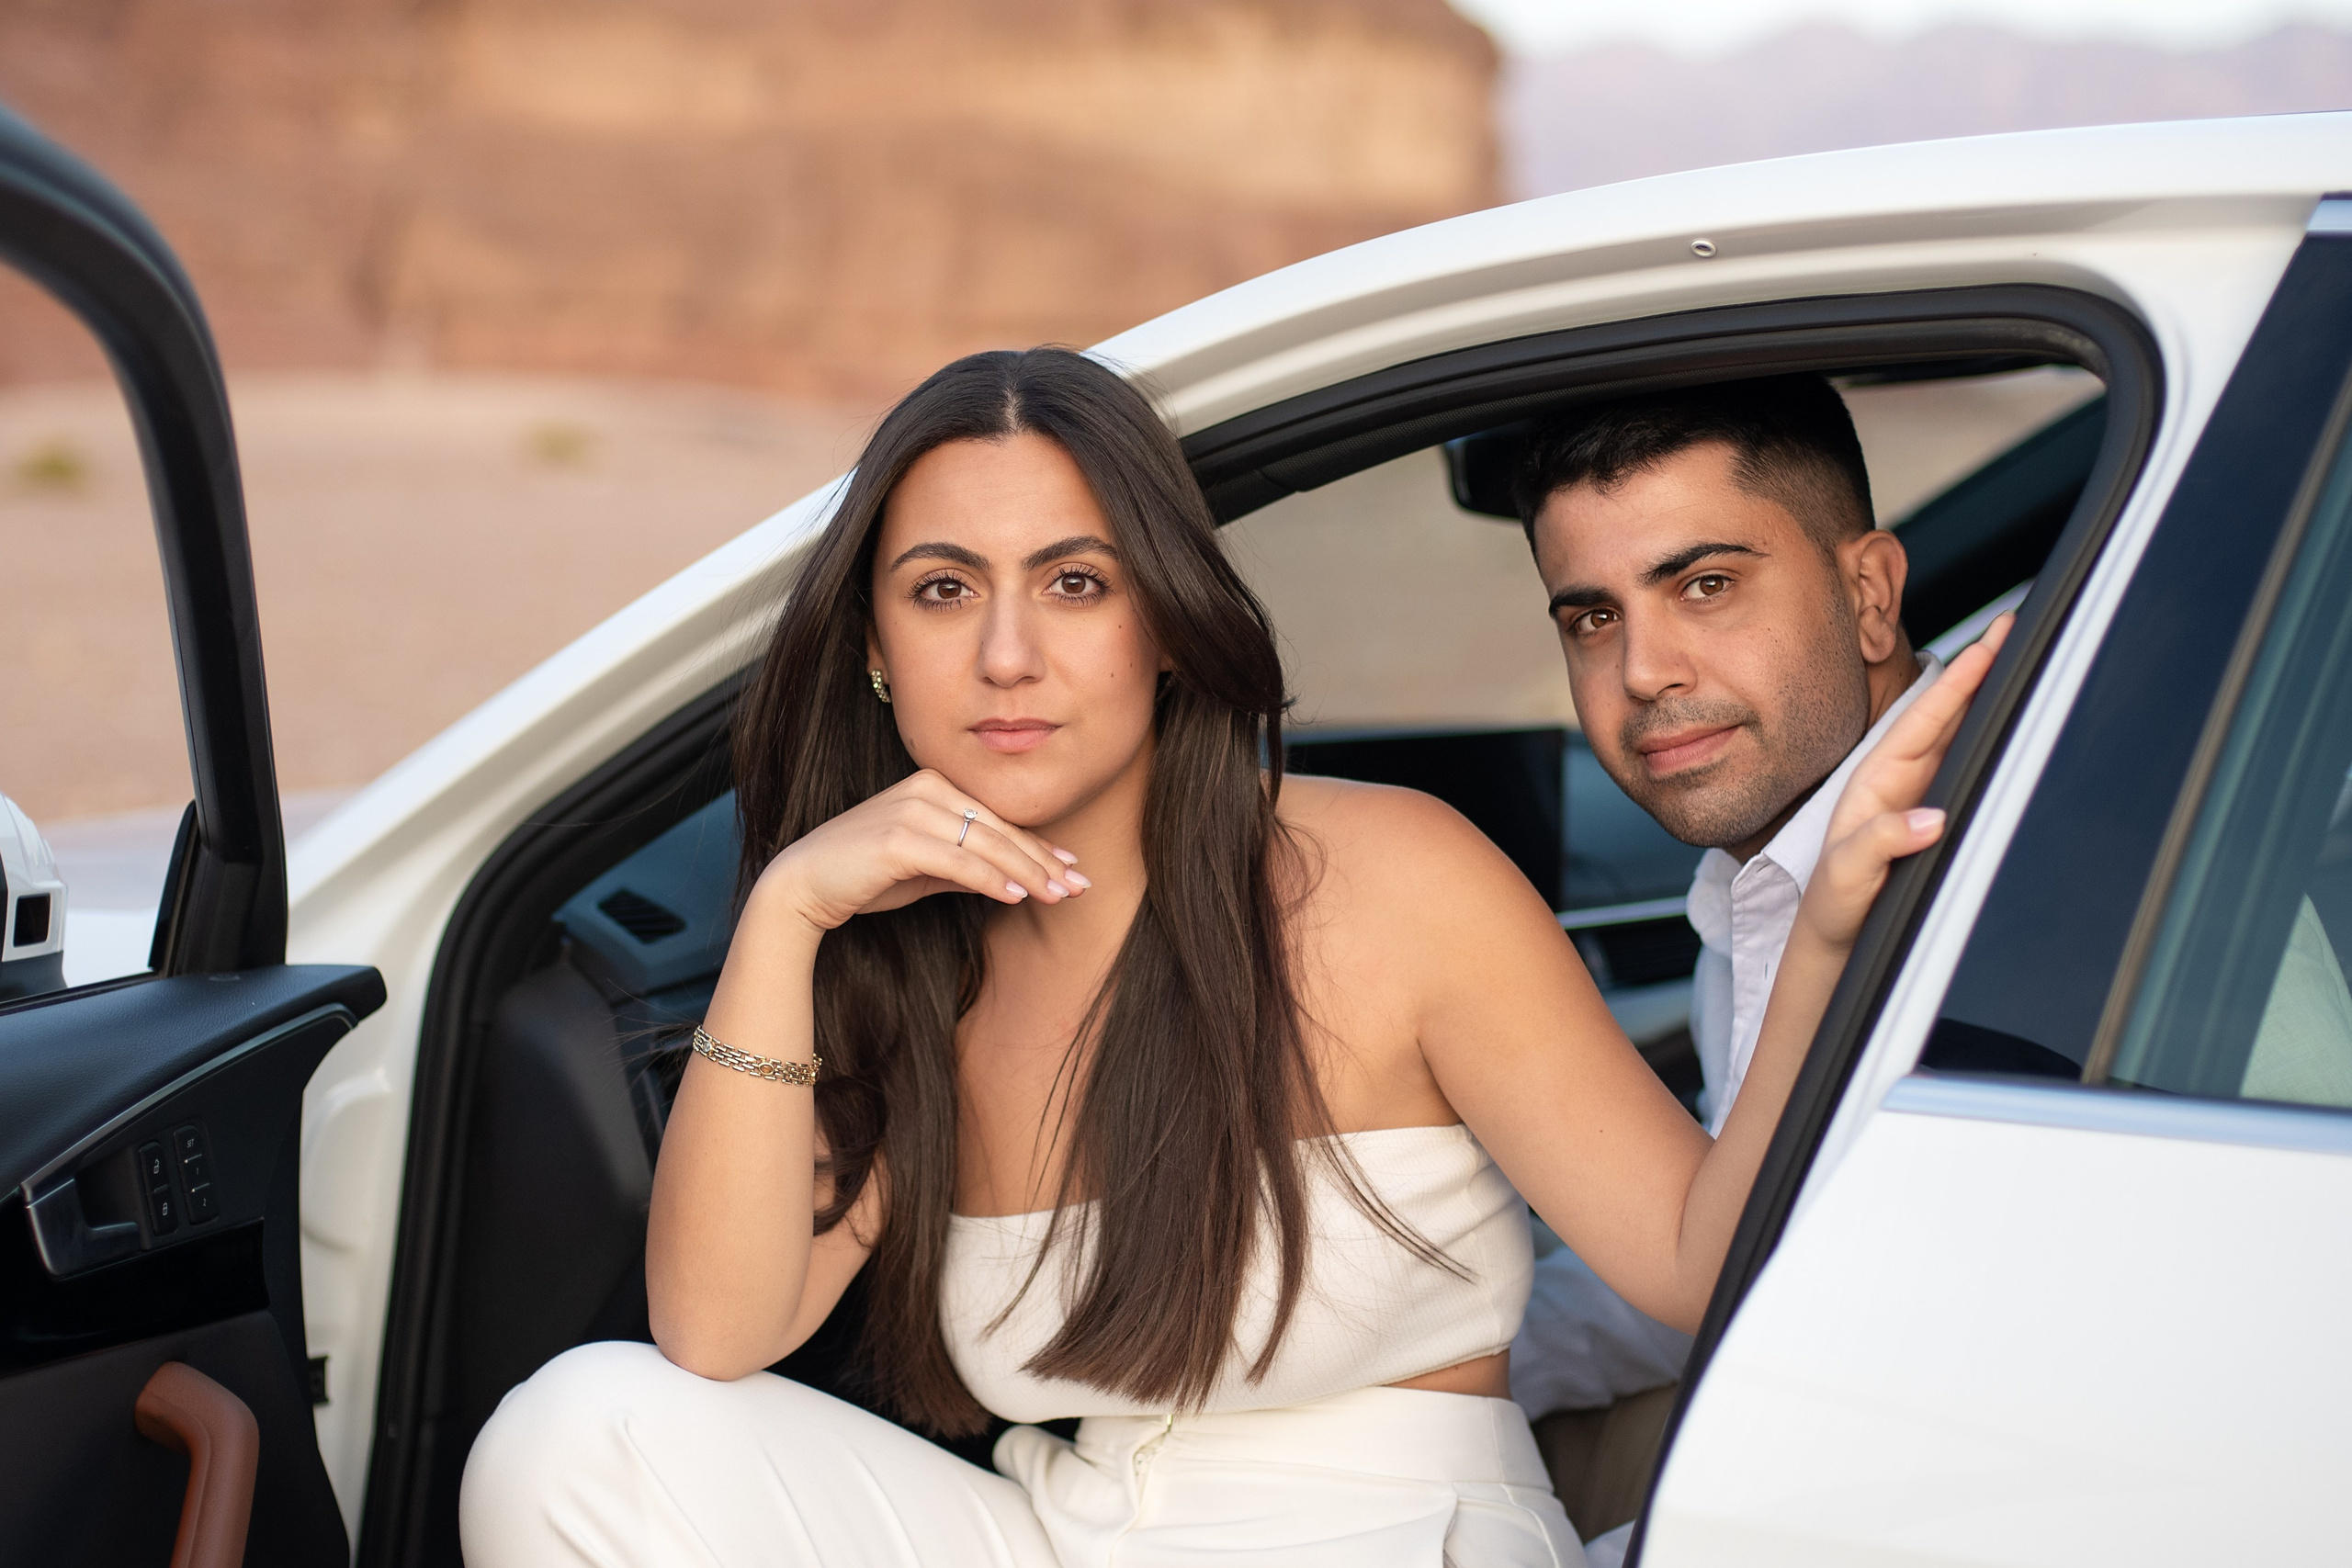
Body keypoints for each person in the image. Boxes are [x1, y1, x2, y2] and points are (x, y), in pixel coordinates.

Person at [459, 348, 2004, 1568]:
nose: (1008, 654)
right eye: (945, 591)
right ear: (877, 645)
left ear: (1168, 626)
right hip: (1060, 1527)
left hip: (1398, 1538)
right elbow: (717, 1334)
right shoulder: (899, 960)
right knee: (578, 1434)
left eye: (1075, 583)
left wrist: (1820, 935)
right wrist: (790, 914)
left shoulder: (1390, 873)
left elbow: (1689, 1256)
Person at [1506, 375, 1947, 1502]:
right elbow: (1731, 1259)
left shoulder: (2008, 865)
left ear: (1868, 595)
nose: (1644, 671)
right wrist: (1452, 1367)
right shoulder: (1766, 873)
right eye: (1593, 616)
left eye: (1704, 585)